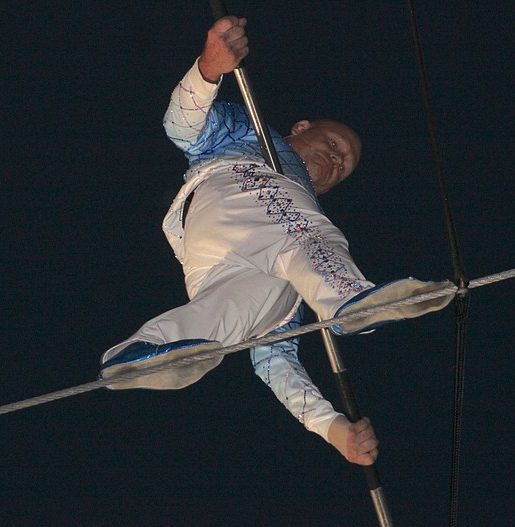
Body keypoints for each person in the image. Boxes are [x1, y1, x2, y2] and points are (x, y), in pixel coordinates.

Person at [99, 17, 453, 464]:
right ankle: (352, 300)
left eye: (343, 167)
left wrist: (333, 430)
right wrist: (209, 68)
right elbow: (182, 128)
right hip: (236, 191)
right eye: (334, 145)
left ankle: (147, 354)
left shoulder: (303, 220)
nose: (336, 160)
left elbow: (275, 364)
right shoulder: (252, 133)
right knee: (309, 236)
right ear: (301, 127)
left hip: (218, 260)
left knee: (245, 318)